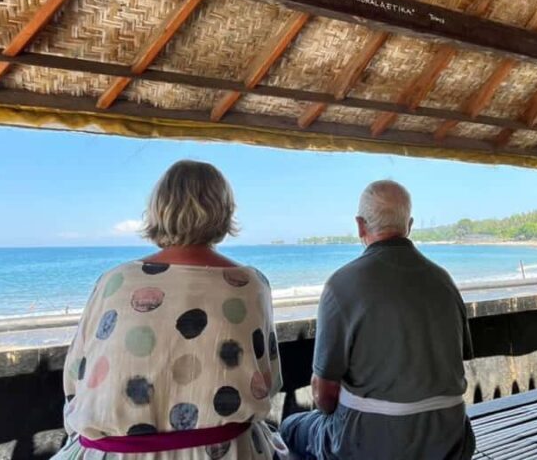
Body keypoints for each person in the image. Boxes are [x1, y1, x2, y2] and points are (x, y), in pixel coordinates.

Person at [54, 160, 288, 460]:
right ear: (225, 211)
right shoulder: (251, 284)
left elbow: (75, 382)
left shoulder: (113, 280)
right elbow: (268, 382)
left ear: (158, 210)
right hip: (225, 452)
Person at [280, 180, 475, 460]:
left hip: (366, 445)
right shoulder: (444, 281)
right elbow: (456, 363)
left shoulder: (341, 285)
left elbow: (324, 396)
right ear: (409, 225)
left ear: (360, 226)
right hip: (451, 441)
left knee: (290, 427)